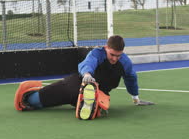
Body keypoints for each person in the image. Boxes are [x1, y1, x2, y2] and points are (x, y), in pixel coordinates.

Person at [14, 35, 154, 115]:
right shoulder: (97, 53)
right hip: (74, 85)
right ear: (106, 48)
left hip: (99, 93)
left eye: (118, 55)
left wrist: (136, 99)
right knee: (30, 102)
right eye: (112, 54)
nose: (114, 59)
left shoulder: (125, 62)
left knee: (95, 109)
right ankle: (32, 92)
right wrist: (87, 73)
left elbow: (131, 78)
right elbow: (87, 63)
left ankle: (89, 102)